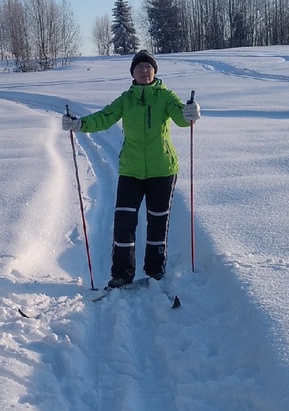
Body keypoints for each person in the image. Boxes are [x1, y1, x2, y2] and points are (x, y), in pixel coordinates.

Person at [62, 50, 200, 289]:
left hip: (162, 169)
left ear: (155, 71)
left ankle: (155, 270)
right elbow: (104, 117)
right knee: (124, 222)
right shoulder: (126, 99)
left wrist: (189, 113)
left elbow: (179, 115)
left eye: (148, 67)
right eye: (139, 68)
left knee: (158, 221)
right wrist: (80, 123)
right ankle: (122, 274)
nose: (144, 71)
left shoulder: (165, 96)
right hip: (131, 170)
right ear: (133, 73)